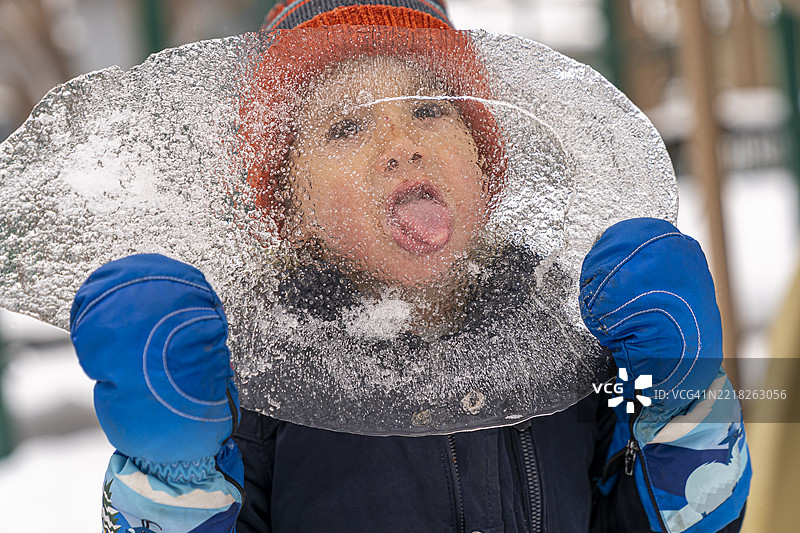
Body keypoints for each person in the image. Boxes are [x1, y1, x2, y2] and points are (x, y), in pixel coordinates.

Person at [70, 1, 750, 532]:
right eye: (346, 126)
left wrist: (677, 398)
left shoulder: (570, 332)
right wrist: (177, 468)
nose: (402, 144)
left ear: (486, 170)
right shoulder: (255, 373)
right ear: (292, 206)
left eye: (430, 108)